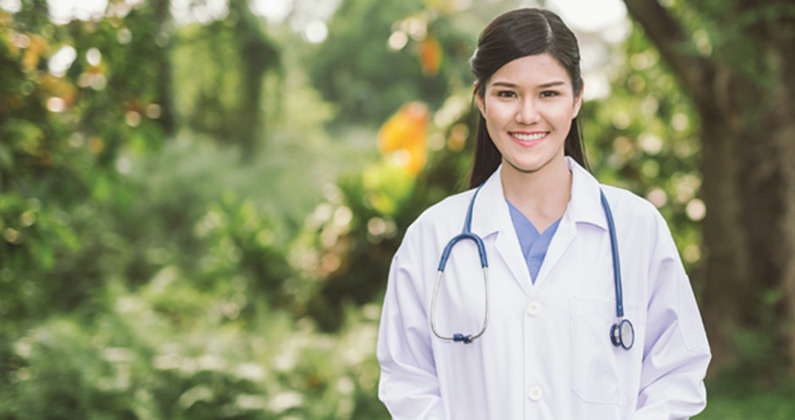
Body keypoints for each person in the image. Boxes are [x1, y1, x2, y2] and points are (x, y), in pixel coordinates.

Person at [376, 7, 711, 420]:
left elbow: (676, 372)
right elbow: (408, 380)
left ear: (577, 98)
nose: (528, 115)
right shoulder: (433, 237)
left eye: (548, 93)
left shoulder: (635, 228)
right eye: (507, 93)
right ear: (481, 100)